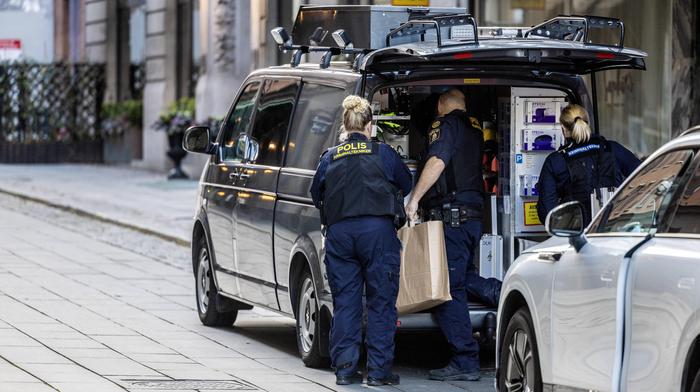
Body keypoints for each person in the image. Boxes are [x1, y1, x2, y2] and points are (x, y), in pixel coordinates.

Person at [310, 95, 413, 386]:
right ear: (370, 125)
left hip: (340, 236)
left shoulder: (330, 156)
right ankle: (378, 373)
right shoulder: (384, 153)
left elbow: (316, 195)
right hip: (378, 235)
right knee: (381, 304)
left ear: (345, 125)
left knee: (346, 304)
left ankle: (345, 370)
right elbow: (406, 183)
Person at [405, 88, 501, 382]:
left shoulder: (445, 125)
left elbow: (437, 161)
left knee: (447, 289)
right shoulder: (474, 128)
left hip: (453, 219)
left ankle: (465, 359)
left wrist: (414, 199)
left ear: (440, 105)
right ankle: (502, 291)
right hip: (471, 219)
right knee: (461, 276)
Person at [536, 103, 641, 225]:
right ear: (587, 123)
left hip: (577, 236)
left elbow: (547, 213)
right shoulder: (612, 148)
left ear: (563, 129)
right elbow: (644, 177)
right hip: (614, 232)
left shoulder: (555, 160)